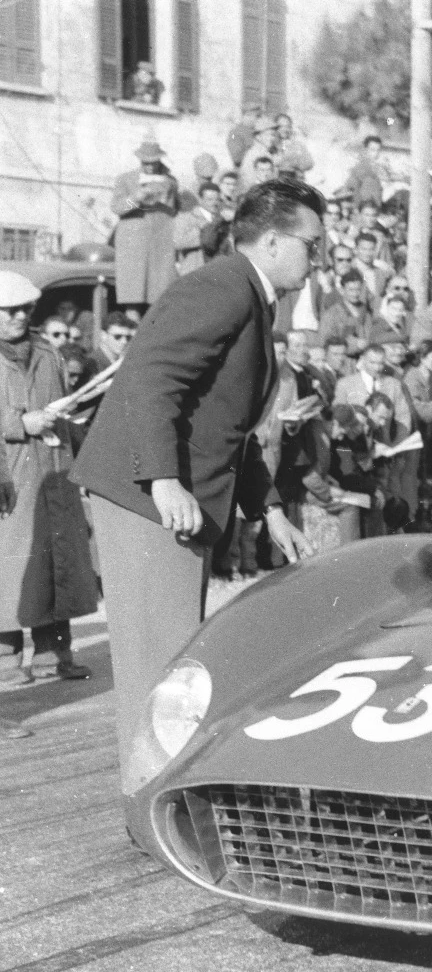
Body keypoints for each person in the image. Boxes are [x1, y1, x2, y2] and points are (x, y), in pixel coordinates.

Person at [71, 176, 323, 798]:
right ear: (270, 240)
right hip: (147, 497)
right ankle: (152, 804)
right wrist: (163, 481)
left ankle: (161, 793)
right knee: (159, 665)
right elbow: (151, 380)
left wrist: (268, 510)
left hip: (169, 497)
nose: (318, 257)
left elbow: (226, 425)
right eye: (311, 244)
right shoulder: (222, 287)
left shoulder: (248, 294)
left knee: (171, 657)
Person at [0, 271, 101, 707]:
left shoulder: (48, 352)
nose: (18, 317)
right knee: (9, 564)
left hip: (53, 470)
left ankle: (50, 649)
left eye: (25, 308)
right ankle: (5, 654)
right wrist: (19, 424)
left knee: (52, 556)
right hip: (9, 474)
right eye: (9, 310)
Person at [110, 137, 180, 307]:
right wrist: (136, 198)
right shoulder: (125, 179)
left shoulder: (170, 181)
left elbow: (176, 209)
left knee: (159, 298)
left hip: (160, 246)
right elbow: (117, 208)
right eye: (146, 162)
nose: (149, 166)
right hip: (133, 248)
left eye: (154, 162)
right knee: (132, 297)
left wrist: (166, 193)